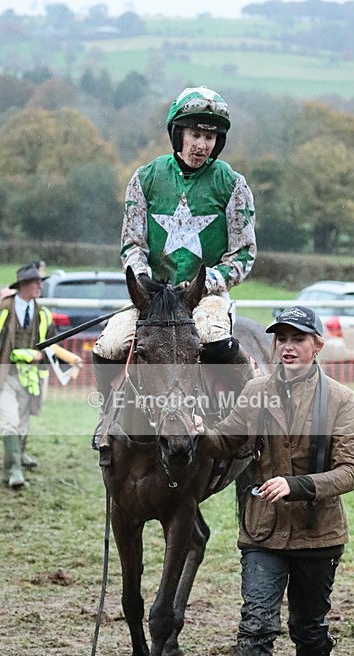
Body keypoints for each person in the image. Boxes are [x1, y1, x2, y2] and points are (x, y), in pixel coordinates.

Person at [194, 306, 354, 656]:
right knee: (255, 626)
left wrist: (298, 485)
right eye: (281, 338)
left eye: (298, 338)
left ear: (317, 346)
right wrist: (194, 432)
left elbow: (350, 472)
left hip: (318, 534)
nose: (288, 346)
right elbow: (225, 441)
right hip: (262, 532)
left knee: (309, 631)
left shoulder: (341, 400)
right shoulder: (256, 390)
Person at [92, 86, 257, 449]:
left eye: (210, 136)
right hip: (153, 298)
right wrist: (143, 280)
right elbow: (132, 244)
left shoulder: (233, 185)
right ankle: (108, 418)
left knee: (216, 340)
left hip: (204, 297)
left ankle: (253, 420)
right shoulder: (145, 179)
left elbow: (243, 254)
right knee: (108, 346)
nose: (202, 144)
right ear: (178, 133)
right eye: (196, 134)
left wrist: (206, 282)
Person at [0, 263, 55, 489]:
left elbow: (50, 346)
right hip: (4, 374)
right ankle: (12, 470)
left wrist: (41, 357)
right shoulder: (0, 308)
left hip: (30, 378)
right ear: (24, 285)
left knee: (23, 421)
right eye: (37, 282)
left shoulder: (43, 314)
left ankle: (19, 458)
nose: (40, 286)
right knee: (10, 420)